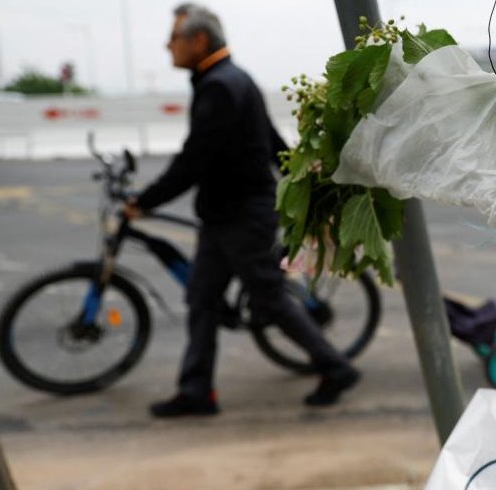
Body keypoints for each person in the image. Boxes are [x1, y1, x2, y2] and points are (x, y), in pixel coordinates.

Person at [125, 3, 360, 417]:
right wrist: (298, 179)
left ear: (198, 40)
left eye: (174, 38)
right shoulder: (232, 79)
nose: (168, 46)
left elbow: (195, 158)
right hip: (224, 217)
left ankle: (335, 366)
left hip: (241, 217)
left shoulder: (219, 86)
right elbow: (269, 140)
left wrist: (146, 201)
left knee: (268, 298)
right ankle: (196, 390)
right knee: (202, 299)